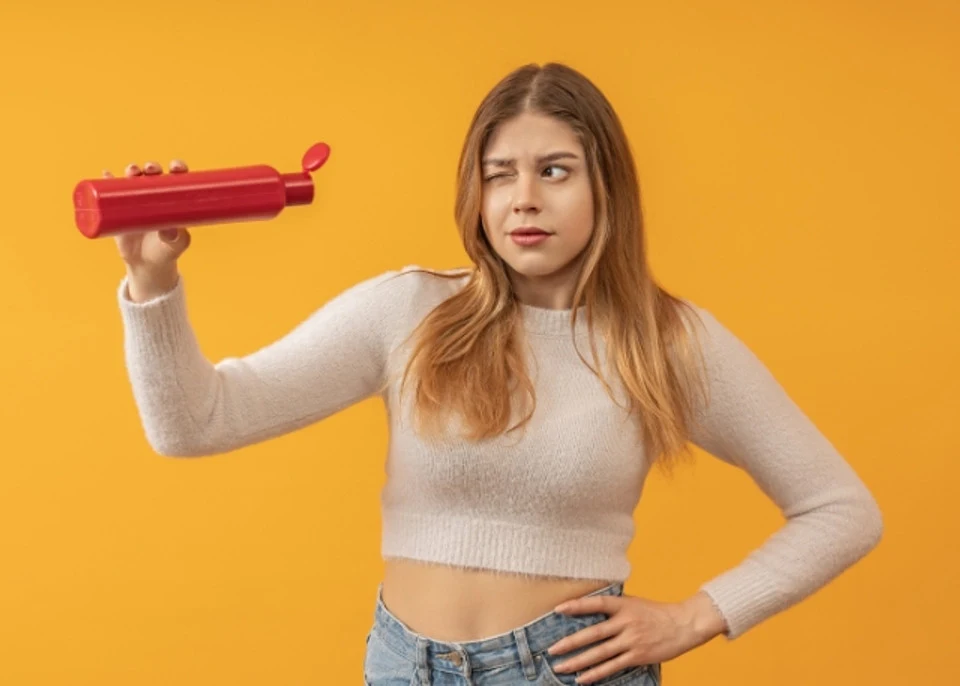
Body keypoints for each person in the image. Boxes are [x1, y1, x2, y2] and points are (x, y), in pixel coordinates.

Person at [109, 63, 883, 686]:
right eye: (499, 173)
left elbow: (841, 509)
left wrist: (696, 617)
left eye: (555, 171)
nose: (523, 200)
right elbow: (194, 425)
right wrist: (152, 282)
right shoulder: (409, 309)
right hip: (403, 667)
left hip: (566, 672)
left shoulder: (666, 342)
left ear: (605, 186)